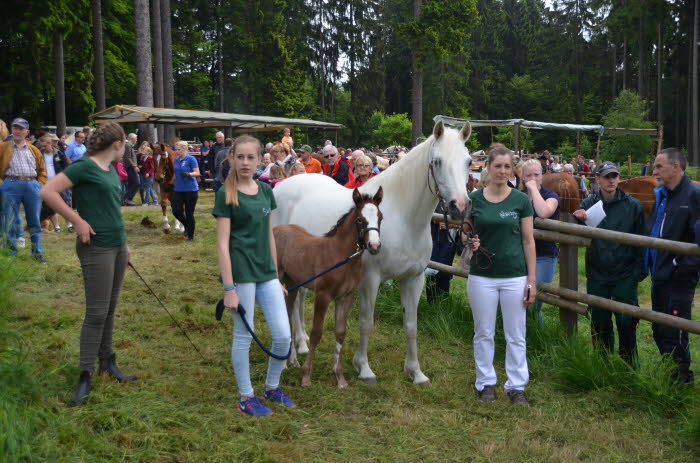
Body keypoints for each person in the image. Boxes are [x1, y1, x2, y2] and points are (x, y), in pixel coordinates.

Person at [40, 122, 136, 406]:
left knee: (110, 309)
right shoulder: (84, 166)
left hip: (117, 245)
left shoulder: (108, 170)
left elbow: (111, 209)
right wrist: (77, 221)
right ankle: (85, 374)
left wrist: (126, 244)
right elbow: (48, 192)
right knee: (96, 312)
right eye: (125, 145)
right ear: (117, 143)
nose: (126, 149)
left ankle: (108, 361)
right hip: (96, 248)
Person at [213, 134, 295, 417]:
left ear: (261, 159)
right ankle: (246, 397)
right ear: (232, 159)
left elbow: (269, 236)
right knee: (243, 337)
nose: (245, 162)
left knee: (283, 336)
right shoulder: (226, 194)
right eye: (240, 157)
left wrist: (277, 277)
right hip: (242, 275)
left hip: (266, 274)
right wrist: (229, 288)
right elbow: (222, 244)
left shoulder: (265, 191)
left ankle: (271, 388)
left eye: (251, 157)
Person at [467, 143, 536, 406]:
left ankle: (516, 386)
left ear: (512, 169)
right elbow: (466, 233)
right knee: (483, 332)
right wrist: (469, 241)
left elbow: (529, 241)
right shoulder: (475, 199)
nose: (503, 171)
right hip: (482, 275)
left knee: (516, 334)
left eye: (507, 166)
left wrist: (531, 280)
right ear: (488, 168)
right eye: (498, 166)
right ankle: (485, 382)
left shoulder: (520, 200)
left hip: (514, 275)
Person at [573, 162, 645, 365]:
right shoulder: (588, 204)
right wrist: (577, 218)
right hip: (597, 272)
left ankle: (628, 366)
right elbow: (576, 230)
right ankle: (602, 364)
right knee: (600, 322)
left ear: (619, 178)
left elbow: (642, 241)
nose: (611, 180)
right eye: (606, 176)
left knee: (626, 321)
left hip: (624, 272)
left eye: (614, 176)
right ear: (597, 179)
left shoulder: (633, 206)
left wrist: (637, 274)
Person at [644, 148, 700, 384]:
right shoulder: (663, 195)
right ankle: (670, 370)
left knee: (675, 328)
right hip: (659, 273)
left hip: (678, 278)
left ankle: (681, 378)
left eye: (659, 167)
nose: (654, 171)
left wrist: (679, 266)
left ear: (675, 167)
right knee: (659, 326)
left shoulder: (693, 195)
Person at [0, 118, 48, 262]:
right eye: (15, 128)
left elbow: (42, 170)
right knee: (9, 219)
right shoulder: (3, 147)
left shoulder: (34, 149)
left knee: (34, 220)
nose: (17, 131)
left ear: (27, 131)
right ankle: (10, 253)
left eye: (21, 129)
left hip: (31, 185)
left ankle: (37, 252)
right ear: (11, 129)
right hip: (10, 183)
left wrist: (39, 184)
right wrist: (2, 185)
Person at [520, 159, 559, 326]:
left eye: (536, 175)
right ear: (522, 177)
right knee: (518, 301)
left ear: (542, 176)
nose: (533, 178)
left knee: (532, 303)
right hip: (519, 255)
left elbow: (543, 212)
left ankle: (537, 338)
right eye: (528, 175)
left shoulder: (551, 196)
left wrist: (533, 190)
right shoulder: (517, 196)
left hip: (544, 255)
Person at [169, 140, 200, 241]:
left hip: (191, 189)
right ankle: (187, 225)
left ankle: (190, 236)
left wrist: (189, 174)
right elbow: (175, 173)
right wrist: (171, 183)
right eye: (176, 149)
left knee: (189, 213)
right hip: (179, 189)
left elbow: (197, 173)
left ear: (185, 149)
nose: (177, 152)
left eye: (179, 149)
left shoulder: (191, 159)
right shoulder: (176, 160)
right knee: (175, 210)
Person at [38, 135, 69, 232]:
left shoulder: (59, 154)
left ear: (50, 143)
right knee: (49, 206)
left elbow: (65, 168)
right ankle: (57, 227)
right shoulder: (39, 154)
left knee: (64, 204)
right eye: (41, 146)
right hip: (45, 184)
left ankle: (70, 225)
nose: (43, 148)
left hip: (58, 183)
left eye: (44, 146)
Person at [122, 133, 139, 206]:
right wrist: (134, 166)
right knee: (136, 183)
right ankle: (128, 199)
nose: (136, 140)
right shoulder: (128, 145)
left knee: (131, 184)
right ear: (132, 139)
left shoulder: (129, 145)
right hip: (130, 167)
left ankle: (126, 199)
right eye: (136, 138)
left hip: (130, 167)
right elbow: (127, 158)